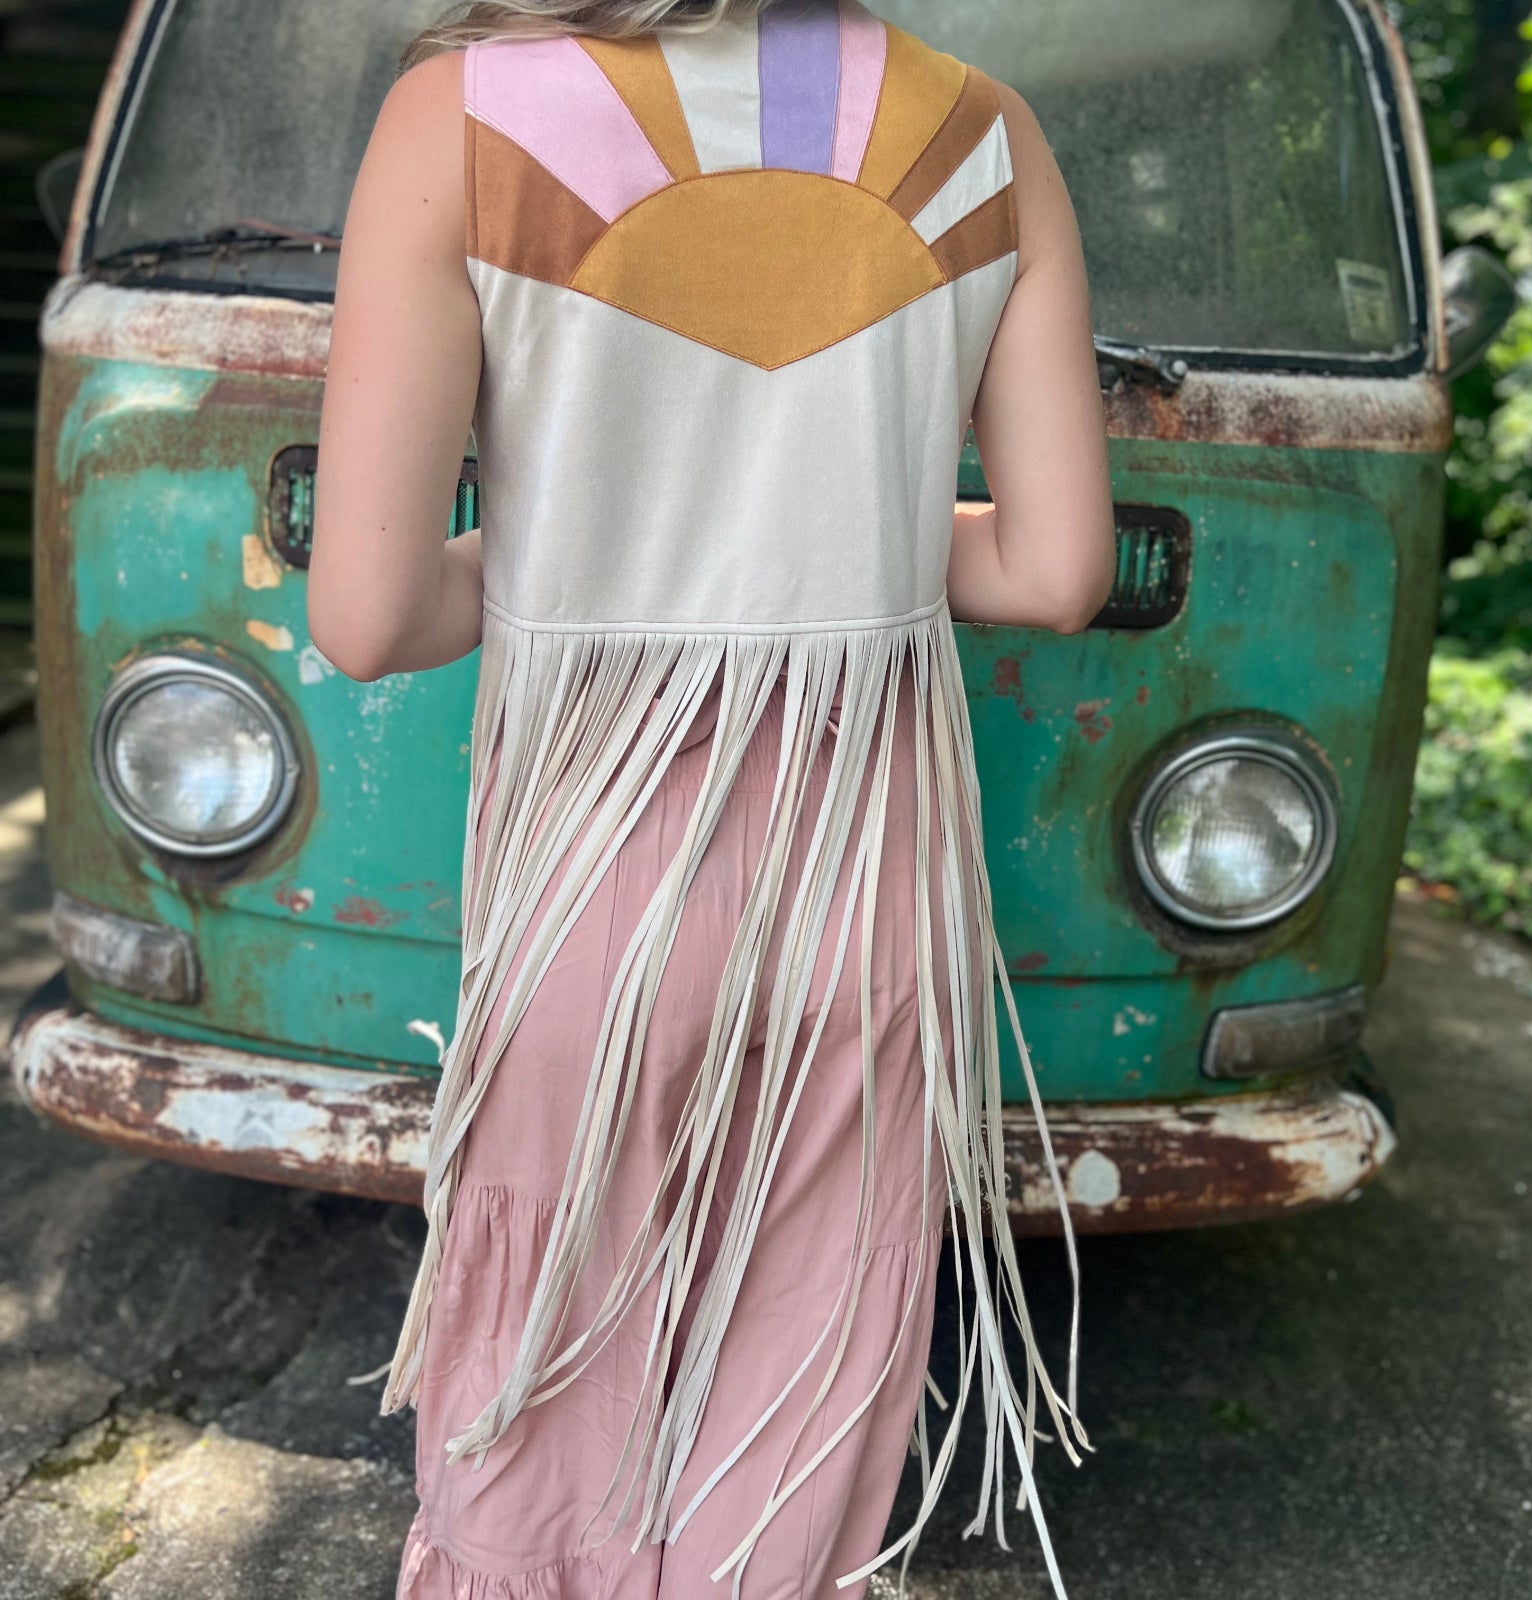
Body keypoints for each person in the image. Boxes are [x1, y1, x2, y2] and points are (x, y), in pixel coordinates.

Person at [307, 0, 1116, 1594]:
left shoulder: (460, 118)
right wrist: (849, 541)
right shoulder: (980, 131)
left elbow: (371, 613)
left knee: (535, 1465)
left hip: (592, 922)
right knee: (787, 1459)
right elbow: (1053, 567)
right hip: (867, 904)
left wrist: (575, 562)